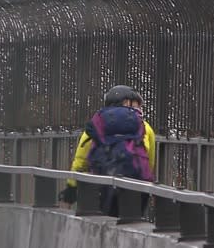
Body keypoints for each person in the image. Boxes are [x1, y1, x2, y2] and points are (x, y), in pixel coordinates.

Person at [59, 85, 156, 216]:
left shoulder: (98, 124)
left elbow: (81, 161)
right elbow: (148, 163)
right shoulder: (145, 128)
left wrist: (71, 188)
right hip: (135, 189)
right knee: (132, 221)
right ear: (128, 103)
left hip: (102, 187)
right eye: (137, 104)